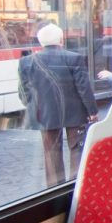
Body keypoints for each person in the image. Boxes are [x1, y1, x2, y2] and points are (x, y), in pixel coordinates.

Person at [18, 23, 98, 186]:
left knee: (51, 152)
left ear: (41, 42)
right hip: (74, 112)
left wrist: (33, 105)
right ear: (61, 40)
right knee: (76, 149)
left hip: (44, 113)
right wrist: (92, 111)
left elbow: (24, 91)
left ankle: (54, 188)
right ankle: (75, 185)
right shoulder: (74, 58)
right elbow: (83, 87)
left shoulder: (26, 62)